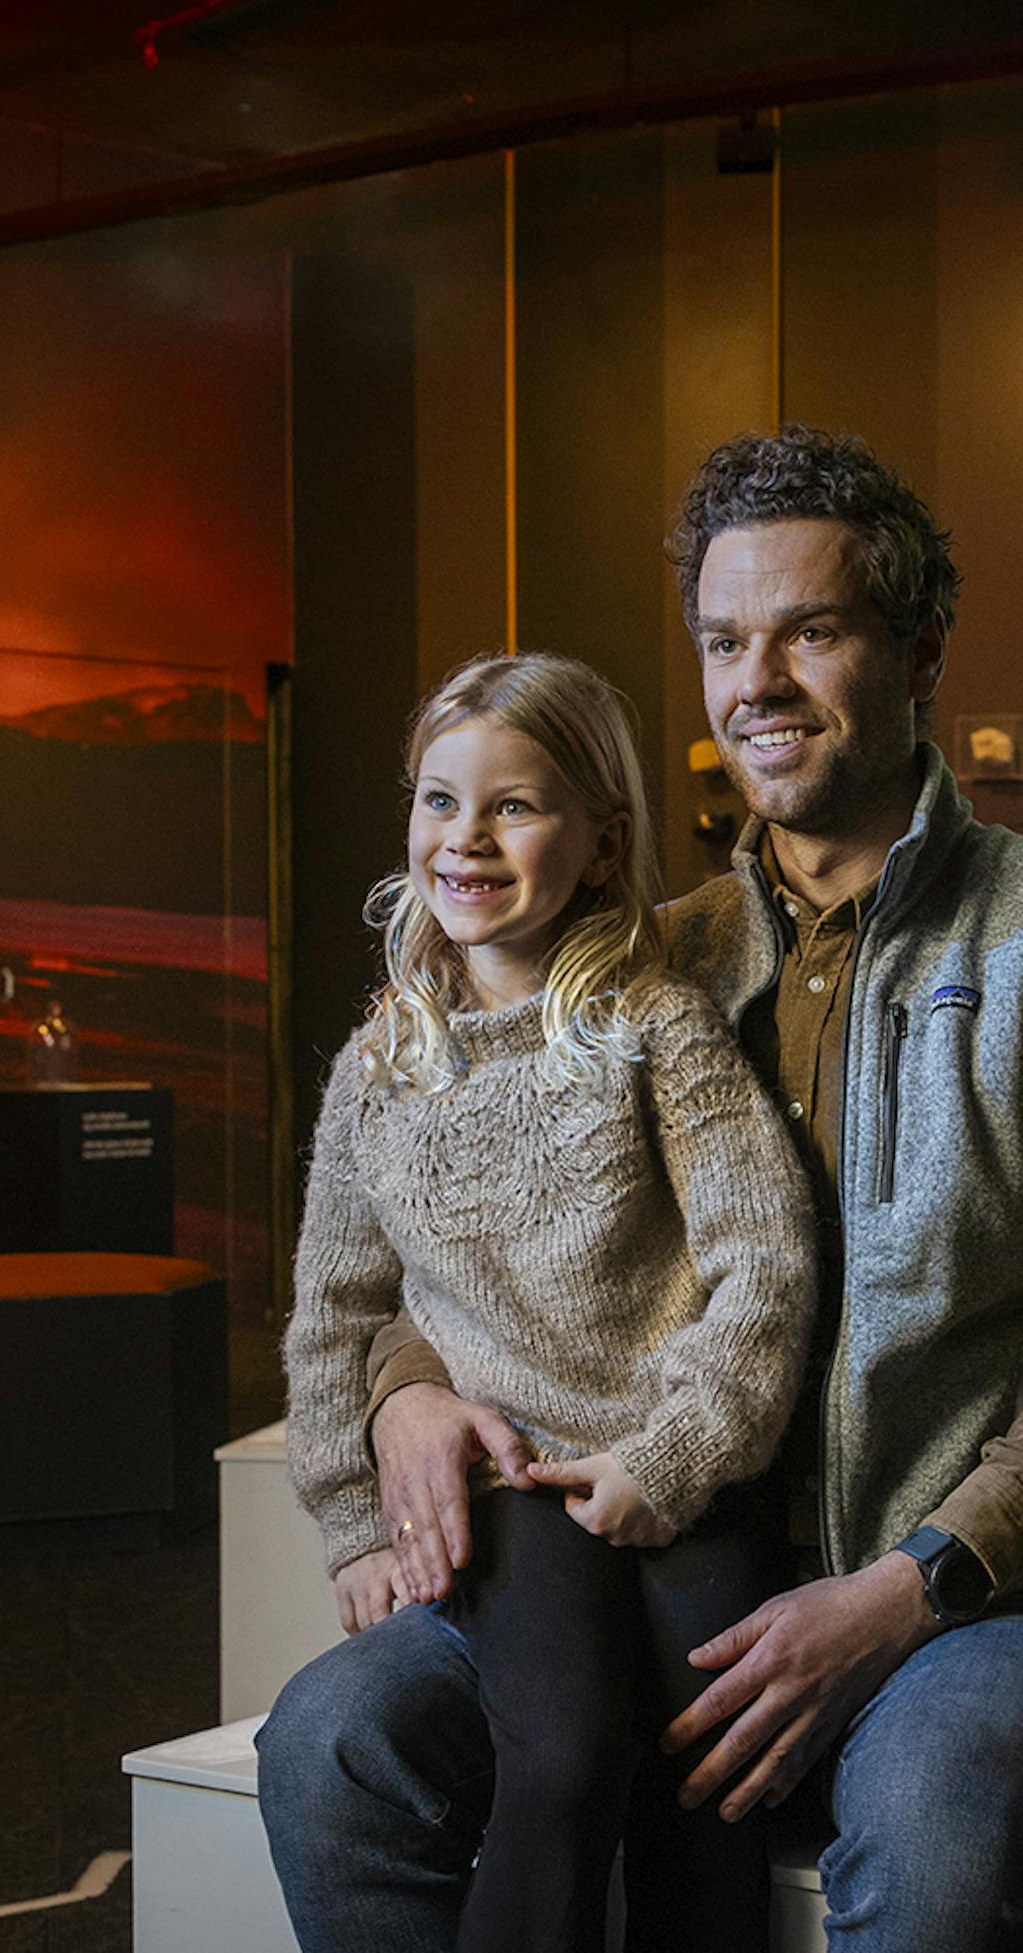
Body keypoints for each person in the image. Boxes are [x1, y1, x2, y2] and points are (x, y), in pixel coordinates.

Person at [257, 425, 1023, 1952]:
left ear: (918, 654)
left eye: (813, 631)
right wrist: (398, 1393)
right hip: (624, 1563)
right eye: (725, 640)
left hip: (974, 1599)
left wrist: (908, 1589)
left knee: (931, 1836)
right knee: (332, 1749)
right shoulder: (638, 959)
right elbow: (451, 1249)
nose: (758, 679)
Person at [279, 651, 822, 1953]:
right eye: (437, 801)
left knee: (712, 1772)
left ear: (599, 842)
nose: (464, 837)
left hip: (678, 1471)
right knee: (568, 1752)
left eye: (512, 806)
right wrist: (354, 1523)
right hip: (519, 1492)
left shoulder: (655, 1027)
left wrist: (673, 1453)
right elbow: (332, 1314)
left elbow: (768, 1256)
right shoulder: (379, 1067)